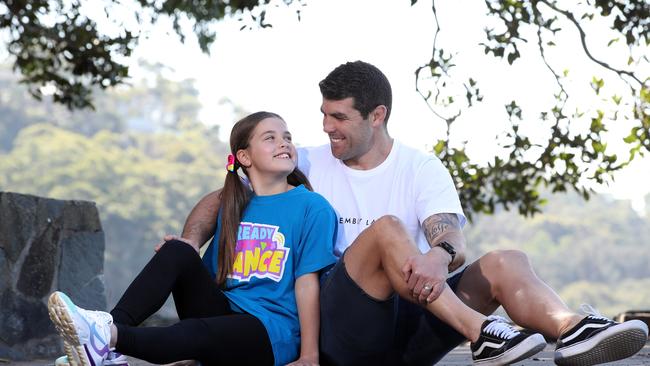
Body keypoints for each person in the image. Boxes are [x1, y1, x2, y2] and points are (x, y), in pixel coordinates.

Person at [172, 61, 649, 366]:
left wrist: (439, 258)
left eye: (339, 117)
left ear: (376, 116)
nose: (324, 127)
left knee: (506, 259)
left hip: (415, 317)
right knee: (386, 230)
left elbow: (451, 236)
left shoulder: (421, 167)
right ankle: (484, 334)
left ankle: (573, 329)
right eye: (323, 115)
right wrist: (190, 243)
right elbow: (224, 196)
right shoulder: (309, 161)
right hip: (343, 325)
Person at [48, 111, 338, 366]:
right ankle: (106, 342)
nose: (284, 142)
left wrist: (309, 357)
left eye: (287, 137)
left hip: (270, 331)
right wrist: (180, 263)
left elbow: (307, 283)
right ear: (244, 157)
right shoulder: (235, 207)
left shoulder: (312, 207)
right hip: (225, 314)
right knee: (178, 249)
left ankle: (107, 336)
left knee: (200, 332)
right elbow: (214, 277)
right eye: (270, 138)